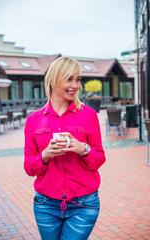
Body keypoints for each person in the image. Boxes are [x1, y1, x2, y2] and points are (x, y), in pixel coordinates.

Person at [24, 56, 106, 240]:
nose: (75, 85)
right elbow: (29, 167)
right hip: (45, 206)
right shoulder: (33, 120)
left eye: (77, 79)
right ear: (53, 80)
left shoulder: (89, 115)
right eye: (69, 78)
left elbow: (99, 159)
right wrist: (44, 155)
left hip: (84, 205)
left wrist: (82, 148)